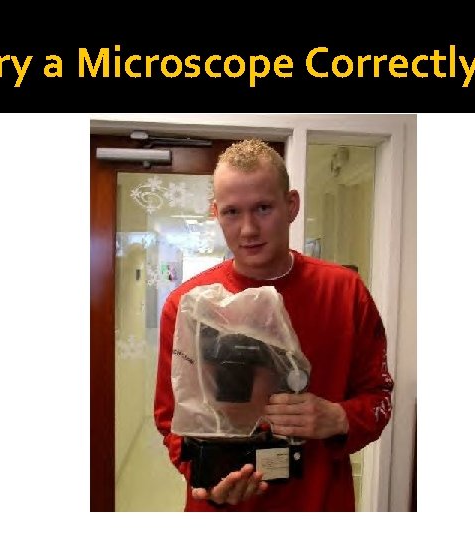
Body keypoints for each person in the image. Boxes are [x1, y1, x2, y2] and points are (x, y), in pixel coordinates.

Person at [154, 138, 394, 511]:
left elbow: (379, 397)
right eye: (232, 212)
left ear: (291, 205)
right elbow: (171, 420)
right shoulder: (189, 305)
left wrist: (338, 417)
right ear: (216, 212)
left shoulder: (345, 292)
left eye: (263, 208)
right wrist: (207, 482)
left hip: (317, 505)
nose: (248, 229)